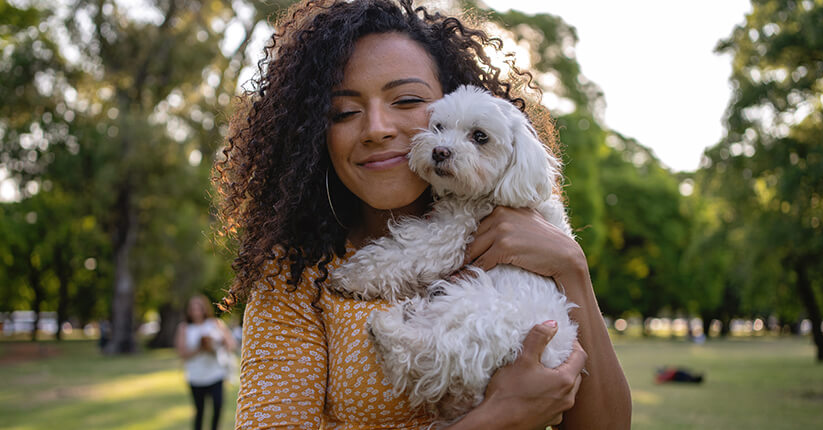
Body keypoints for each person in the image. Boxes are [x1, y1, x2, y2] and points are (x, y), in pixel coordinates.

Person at [214, 0, 632, 428]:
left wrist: (572, 267)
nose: (377, 128)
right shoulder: (295, 276)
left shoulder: (529, 233)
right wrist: (499, 417)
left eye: (408, 100)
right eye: (344, 112)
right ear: (314, 133)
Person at [175, 295, 237, 430]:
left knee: (217, 406)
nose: (196, 311)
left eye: (199, 308)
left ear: (204, 309)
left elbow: (231, 344)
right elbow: (181, 353)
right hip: (196, 376)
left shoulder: (215, 324)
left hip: (216, 374)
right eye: (193, 308)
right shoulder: (184, 328)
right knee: (200, 411)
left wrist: (216, 345)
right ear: (189, 311)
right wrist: (200, 349)